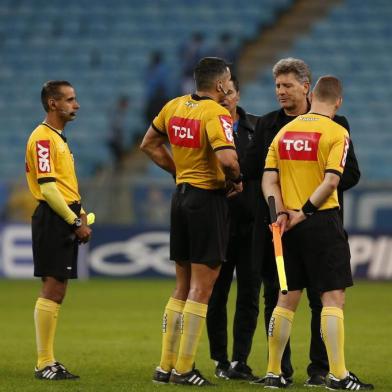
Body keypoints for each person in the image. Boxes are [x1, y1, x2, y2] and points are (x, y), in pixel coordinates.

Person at [241, 58, 360, 387]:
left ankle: (273, 372)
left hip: (285, 226)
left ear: (311, 92)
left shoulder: (283, 132)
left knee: (284, 299)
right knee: (332, 297)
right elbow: (334, 181)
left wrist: (279, 213)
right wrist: (305, 211)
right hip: (320, 222)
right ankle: (337, 375)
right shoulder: (337, 131)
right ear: (337, 101)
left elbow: (267, 180)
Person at [140, 57, 243, 386]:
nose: (229, 86)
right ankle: (185, 369)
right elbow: (228, 159)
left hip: (181, 198)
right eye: (228, 81)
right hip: (207, 200)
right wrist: (236, 180)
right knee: (203, 287)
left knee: (182, 286)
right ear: (220, 85)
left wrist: (177, 171)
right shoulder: (216, 113)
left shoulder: (174, 106)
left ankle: (164, 366)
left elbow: (149, 144)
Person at [25, 80, 92, 380]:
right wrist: (74, 221)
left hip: (62, 215)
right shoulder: (43, 139)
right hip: (54, 218)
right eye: (70, 100)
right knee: (53, 287)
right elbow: (49, 189)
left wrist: (79, 211)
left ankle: (47, 361)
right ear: (53, 103)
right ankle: (44, 362)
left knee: (58, 287)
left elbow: (63, 185)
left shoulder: (58, 138)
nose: (75, 105)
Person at [206, 75, 261, 381]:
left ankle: (240, 360)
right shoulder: (208, 126)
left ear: (238, 94)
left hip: (252, 225)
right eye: (221, 93)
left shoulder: (257, 127)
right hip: (218, 223)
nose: (225, 97)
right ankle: (220, 358)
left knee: (250, 295)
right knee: (217, 294)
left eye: (229, 92)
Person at [107, 95, 131, 169]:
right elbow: (116, 127)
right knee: (117, 158)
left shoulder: (119, 113)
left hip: (115, 138)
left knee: (118, 158)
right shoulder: (117, 113)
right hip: (115, 139)